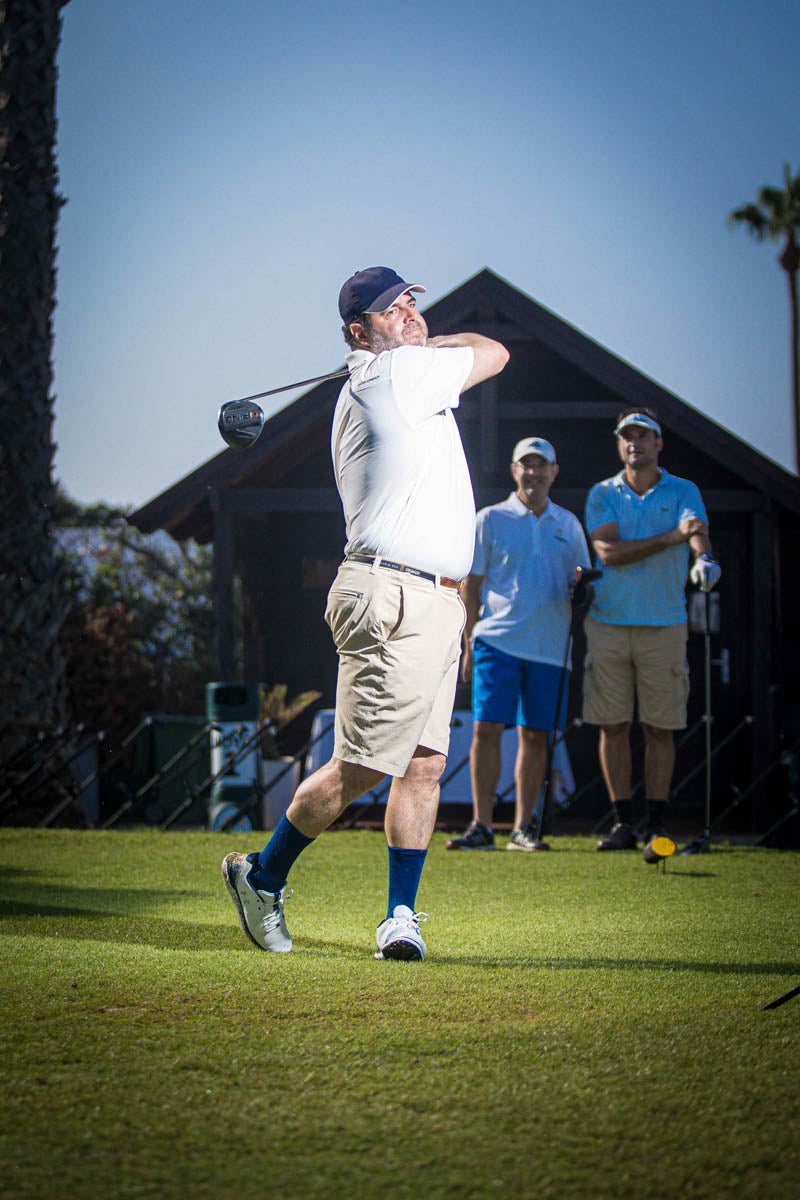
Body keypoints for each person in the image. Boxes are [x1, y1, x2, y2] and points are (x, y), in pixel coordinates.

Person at [221, 266, 509, 959]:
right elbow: (496, 352)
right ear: (359, 331)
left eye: (412, 301)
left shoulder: (399, 375)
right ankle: (262, 875)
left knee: (424, 765)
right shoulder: (398, 377)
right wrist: (425, 344)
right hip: (396, 594)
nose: (411, 313)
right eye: (393, 309)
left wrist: (412, 339)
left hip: (437, 597)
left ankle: (399, 917)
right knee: (367, 763)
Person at [582, 407, 721, 850]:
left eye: (643, 436)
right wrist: (670, 539)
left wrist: (703, 558)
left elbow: (697, 530)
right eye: (627, 437)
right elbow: (609, 552)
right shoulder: (603, 493)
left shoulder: (683, 490)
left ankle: (657, 823)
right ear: (619, 443)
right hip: (608, 624)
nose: (635, 443)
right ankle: (624, 823)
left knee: (660, 728)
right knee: (614, 725)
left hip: (665, 624)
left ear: (659, 443)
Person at [446, 437, 592, 851]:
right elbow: (470, 585)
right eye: (526, 465)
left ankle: (523, 828)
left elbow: (584, 581)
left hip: (549, 647)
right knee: (486, 729)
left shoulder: (568, 524)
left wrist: (583, 588)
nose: (534, 472)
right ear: (514, 471)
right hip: (496, 640)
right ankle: (482, 826)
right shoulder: (489, 519)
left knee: (535, 735)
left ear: (553, 472)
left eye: (542, 465)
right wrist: (468, 640)